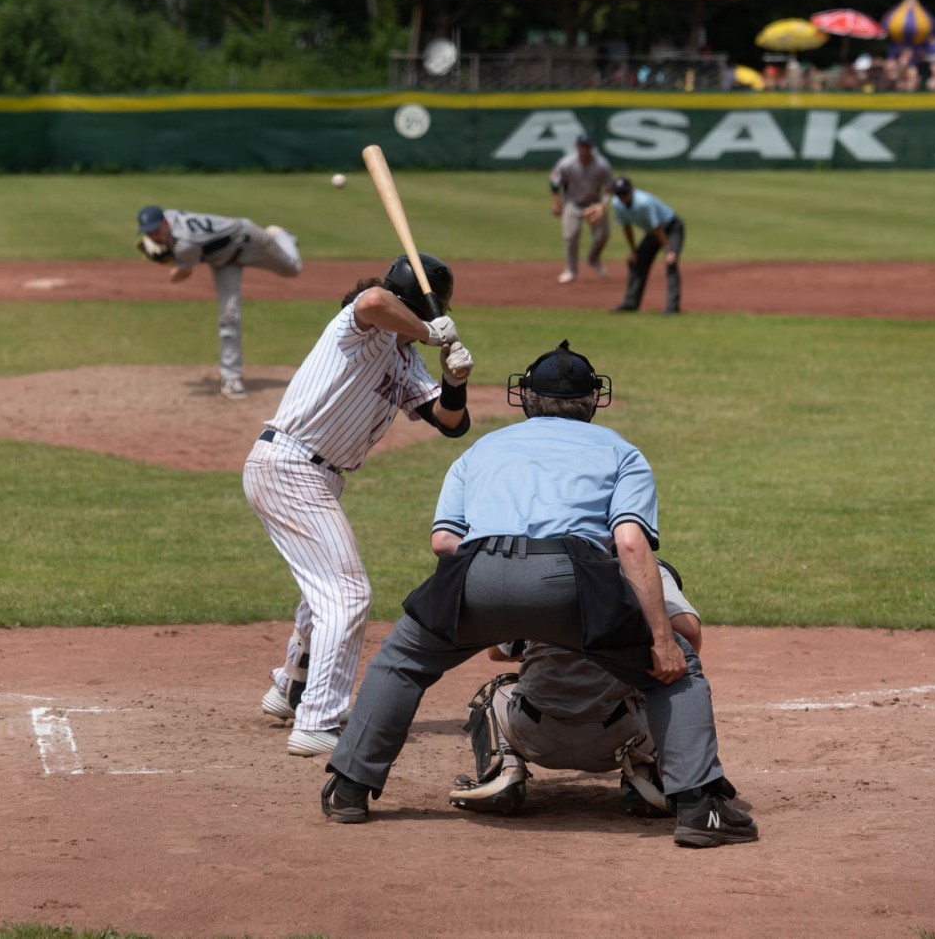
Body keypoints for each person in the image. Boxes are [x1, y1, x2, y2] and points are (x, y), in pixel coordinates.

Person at [320, 340, 758, 848]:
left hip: (474, 573)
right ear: (593, 401)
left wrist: (504, 583)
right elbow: (631, 543)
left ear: (526, 398)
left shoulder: (480, 448)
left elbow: (443, 541)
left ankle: (348, 788)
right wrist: (660, 639)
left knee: (401, 661)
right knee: (675, 670)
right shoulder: (621, 451)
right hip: (571, 579)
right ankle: (699, 809)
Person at [245, 254, 474, 757]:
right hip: (291, 465)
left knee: (321, 589)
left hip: (312, 475)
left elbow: (450, 423)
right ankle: (318, 721)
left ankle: (293, 686)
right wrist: (433, 333)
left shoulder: (406, 360)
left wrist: (455, 380)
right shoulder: (361, 327)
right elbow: (373, 302)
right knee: (347, 595)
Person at [448, 561, 727, 819]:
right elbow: (689, 632)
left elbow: (496, 652)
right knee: (663, 686)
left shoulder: (532, 572)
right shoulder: (645, 569)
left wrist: (547, 641)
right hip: (618, 737)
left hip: (535, 735)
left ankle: (504, 771)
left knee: (494, 691)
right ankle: (644, 775)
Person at [136, 205, 302, 399]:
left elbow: (182, 274)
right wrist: (170, 250)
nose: (152, 236)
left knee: (292, 268)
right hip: (223, 262)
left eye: (155, 230)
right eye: (148, 232)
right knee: (229, 316)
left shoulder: (185, 244)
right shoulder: (170, 216)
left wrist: (171, 264)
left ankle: (283, 236)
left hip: (249, 240)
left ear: (165, 222)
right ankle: (231, 378)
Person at [607, 176, 685, 315]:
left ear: (631, 190)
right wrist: (633, 250)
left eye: (624, 193)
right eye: (618, 194)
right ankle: (631, 303)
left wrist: (668, 251)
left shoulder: (643, 202)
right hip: (653, 232)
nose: (622, 197)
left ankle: (672, 308)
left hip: (671, 227)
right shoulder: (617, 204)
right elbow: (626, 227)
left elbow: (657, 228)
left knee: (671, 262)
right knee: (637, 262)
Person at [548, 133, 613, 284]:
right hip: (573, 203)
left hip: (594, 202)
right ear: (576, 147)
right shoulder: (566, 163)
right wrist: (556, 203)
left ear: (592, 148)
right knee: (571, 236)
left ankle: (593, 258)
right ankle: (570, 270)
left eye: (587, 146)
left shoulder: (602, 164)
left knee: (602, 235)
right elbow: (554, 182)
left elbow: (610, 187)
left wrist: (603, 205)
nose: (585, 149)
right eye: (582, 146)